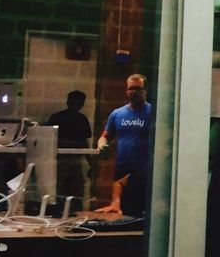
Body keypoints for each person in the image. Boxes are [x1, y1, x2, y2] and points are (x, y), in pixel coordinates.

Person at [96, 74, 153, 217]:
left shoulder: (153, 113)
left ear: (146, 90)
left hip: (144, 170)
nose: (134, 92)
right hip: (122, 168)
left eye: (138, 89)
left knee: (141, 214)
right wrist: (102, 145)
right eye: (131, 89)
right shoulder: (117, 114)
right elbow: (105, 137)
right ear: (126, 90)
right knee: (123, 213)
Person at [47, 90, 92, 209]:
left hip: (74, 159)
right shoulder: (58, 118)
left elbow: (85, 142)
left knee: (75, 189)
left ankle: (75, 213)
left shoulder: (82, 119)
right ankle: (59, 211)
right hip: (61, 159)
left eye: (79, 102)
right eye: (74, 102)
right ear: (68, 102)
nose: (76, 105)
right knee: (60, 189)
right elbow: (48, 140)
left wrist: (91, 162)